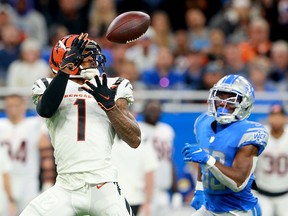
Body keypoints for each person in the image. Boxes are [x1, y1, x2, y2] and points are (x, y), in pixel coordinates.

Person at [20, 33, 141, 216]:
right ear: (66, 58)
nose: (92, 59)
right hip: (66, 186)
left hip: (103, 184)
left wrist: (110, 106)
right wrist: (64, 71)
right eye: (85, 54)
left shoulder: (113, 85)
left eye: (93, 54)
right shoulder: (47, 84)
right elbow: (45, 110)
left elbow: (135, 139)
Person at [182, 74, 269, 215]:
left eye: (231, 98)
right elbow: (203, 158)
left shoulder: (250, 132)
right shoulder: (203, 122)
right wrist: (199, 189)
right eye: (220, 96)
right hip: (210, 208)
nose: (223, 102)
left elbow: (238, 182)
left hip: (239, 210)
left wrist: (208, 159)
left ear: (244, 103)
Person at [0, 93, 54, 215]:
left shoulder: (35, 125)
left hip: (28, 179)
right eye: (10, 106)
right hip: (3, 180)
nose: (13, 109)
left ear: (23, 106)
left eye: (16, 105)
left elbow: (46, 155)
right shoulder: (1, 125)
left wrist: (48, 181)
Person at [138, 100, 179, 216]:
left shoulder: (167, 130)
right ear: (143, 111)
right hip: (143, 192)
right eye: (151, 110)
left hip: (163, 191)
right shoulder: (137, 129)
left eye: (156, 110)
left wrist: (176, 191)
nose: (153, 113)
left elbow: (169, 161)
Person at [111, 135, 159, 216]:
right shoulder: (106, 135)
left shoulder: (143, 139)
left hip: (136, 200)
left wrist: (147, 203)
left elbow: (149, 172)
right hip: (112, 201)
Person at [254, 103, 288, 216]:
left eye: (279, 116)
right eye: (273, 115)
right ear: (269, 117)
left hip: (285, 194)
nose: (276, 119)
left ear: (285, 118)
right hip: (262, 193)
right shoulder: (261, 135)